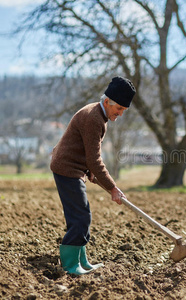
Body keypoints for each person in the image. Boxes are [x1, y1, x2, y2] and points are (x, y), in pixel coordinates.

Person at [50, 76, 136, 275]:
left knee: (81, 215)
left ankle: (81, 260)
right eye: (119, 109)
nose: (120, 114)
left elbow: (87, 156)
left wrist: (91, 173)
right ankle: (71, 265)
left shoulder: (97, 114)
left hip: (73, 168)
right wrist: (112, 187)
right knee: (81, 217)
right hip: (67, 169)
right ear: (107, 102)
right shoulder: (94, 118)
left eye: (124, 110)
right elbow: (94, 160)